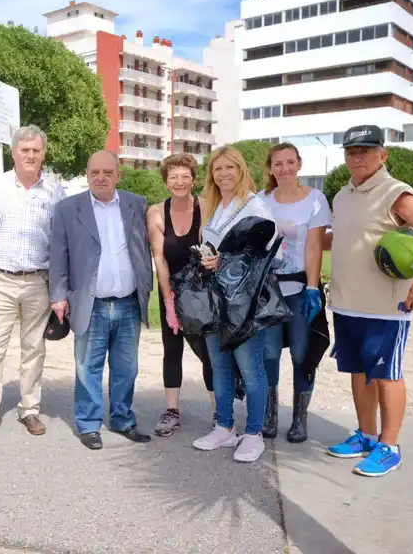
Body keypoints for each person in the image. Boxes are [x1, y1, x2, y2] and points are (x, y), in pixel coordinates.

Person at [326, 125, 413, 477]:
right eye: (351, 151)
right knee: (359, 373)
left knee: (386, 376)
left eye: (366, 150)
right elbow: (345, 237)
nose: (357, 157)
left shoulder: (396, 192)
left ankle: (390, 446)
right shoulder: (343, 195)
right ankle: (365, 436)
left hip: (385, 307)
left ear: (383, 155)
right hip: (347, 302)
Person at [0, 125, 66, 445]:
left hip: (38, 281)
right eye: (25, 150)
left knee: (34, 349)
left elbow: (61, 242)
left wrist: (62, 286)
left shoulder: (55, 190)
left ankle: (29, 408)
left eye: (35, 150)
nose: (30, 155)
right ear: (14, 152)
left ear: (43, 153)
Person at [49, 150, 153, 450]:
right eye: (95, 172)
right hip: (89, 303)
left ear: (118, 175)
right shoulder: (68, 208)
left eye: (108, 172)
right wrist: (58, 295)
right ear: (87, 174)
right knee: (87, 367)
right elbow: (58, 255)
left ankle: (122, 418)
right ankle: (88, 423)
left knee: (127, 367)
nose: (101, 177)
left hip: (128, 302)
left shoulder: (136, 204)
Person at [192, 145, 278, 463]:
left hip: (243, 304)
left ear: (241, 171)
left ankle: (254, 434)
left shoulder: (255, 206)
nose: (224, 174)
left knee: (251, 370)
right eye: (218, 169)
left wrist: (224, 261)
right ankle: (224, 427)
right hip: (215, 300)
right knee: (219, 367)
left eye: (230, 167)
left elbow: (271, 255)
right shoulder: (215, 207)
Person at [258, 143, 331, 443]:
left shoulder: (315, 199)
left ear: (299, 164)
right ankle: (270, 414)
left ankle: (300, 418)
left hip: (301, 288)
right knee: (269, 354)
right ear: (271, 168)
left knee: (303, 353)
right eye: (278, 163)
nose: (285, 168)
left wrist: (313, 287)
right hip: (269, 291)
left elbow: (314, 246)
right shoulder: (262, 200)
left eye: (290, 162)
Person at [146, 153, 215, 436]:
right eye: (173, 176)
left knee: (210, 353)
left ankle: (219, 412)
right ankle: (172, 411)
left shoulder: (207, 207)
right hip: (173, 290)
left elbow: (217, 248)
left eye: (185, 176)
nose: (179, 181)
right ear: (165, 182)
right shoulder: (156, 212)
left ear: (193, 180)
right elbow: (160, 260)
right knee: (171, 350)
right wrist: (168, 302)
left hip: (204, 292)